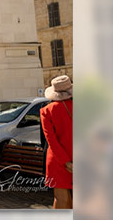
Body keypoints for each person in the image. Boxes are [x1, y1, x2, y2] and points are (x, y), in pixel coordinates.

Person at [40, 75, 73, 209]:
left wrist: (65, 161)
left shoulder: (46, 111)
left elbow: (51, 140)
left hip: (58, 159)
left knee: (61, 199)